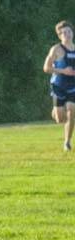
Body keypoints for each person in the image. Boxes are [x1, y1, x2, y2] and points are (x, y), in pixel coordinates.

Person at [44, 20, 75, 151]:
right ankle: (56, 111)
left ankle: (67, 142)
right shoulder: (56, 49)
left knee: (72, 110)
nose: (67, 34)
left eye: (69, 31)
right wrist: (63, 71)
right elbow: (46, 68)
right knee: (60, 119)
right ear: (59, 35)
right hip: (58, 85)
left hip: (73, 86)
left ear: (72, 33)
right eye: (63, 33)